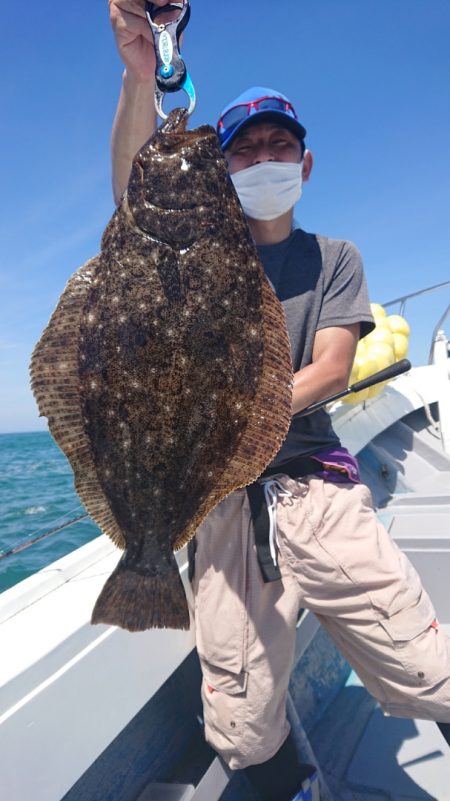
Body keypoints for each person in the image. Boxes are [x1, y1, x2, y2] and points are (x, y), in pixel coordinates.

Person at [108, 2, 450, 800]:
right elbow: (133, 201)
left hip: (314, 484)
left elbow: (332, 368)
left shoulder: (334, 259)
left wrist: (229, 421)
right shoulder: (190, 258)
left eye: (279, 144)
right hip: (223, 506)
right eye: (245, 149)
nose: (264, 157)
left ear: (305, 164)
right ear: (221, 173)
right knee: (242, 718)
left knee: (429, 665)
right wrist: (136, 76)